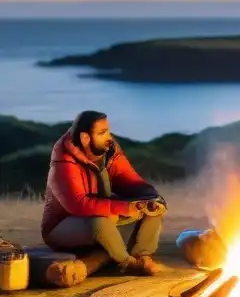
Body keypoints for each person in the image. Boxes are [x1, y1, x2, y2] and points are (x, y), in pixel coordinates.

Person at [41, 110, 167, 285]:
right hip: (64, 226)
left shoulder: (107, 150)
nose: (109, 137)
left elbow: (127, 178)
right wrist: (124, 207)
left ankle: (142, 256)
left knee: (154, 207)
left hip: (103, 212)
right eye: (102, 133)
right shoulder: (64, 163)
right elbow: (79, 205)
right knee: (99, 222)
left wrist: (149, 196)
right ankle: (128, 264)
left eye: (108, 130)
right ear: (85, 138)